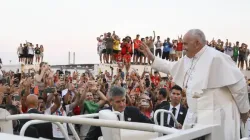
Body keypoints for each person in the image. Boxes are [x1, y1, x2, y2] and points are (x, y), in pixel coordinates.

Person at [139, 29, 249, 140]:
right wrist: (151, 57)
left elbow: (239, 87)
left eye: (186, 43)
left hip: (219, 116)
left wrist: (244, 111)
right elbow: (171, 67)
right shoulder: (188, 58)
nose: (183, 47)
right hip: (195, 115)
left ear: (197, 43)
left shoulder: (218, 57)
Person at [85, 86, 153, 140]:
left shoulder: (134, 111)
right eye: (118, 102)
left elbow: (151, 126)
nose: (122, 104)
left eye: (123, 100)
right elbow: (90, 137)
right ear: (111, 102)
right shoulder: (102, 114)